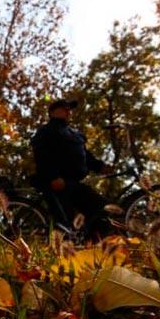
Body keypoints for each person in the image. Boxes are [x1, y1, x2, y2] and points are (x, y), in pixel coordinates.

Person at [30, 98, 111, 239]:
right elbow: (42, 155)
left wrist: (101, 167)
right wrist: (53, 177)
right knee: (65, 223)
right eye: (63, 108)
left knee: (101, 209)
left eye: (69, 109)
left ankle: (93, 246)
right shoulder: (46, 131)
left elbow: (86, 157)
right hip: (56, 184)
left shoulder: (76, 134)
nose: (68, 111)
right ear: (52, 112)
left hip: (73, 183)